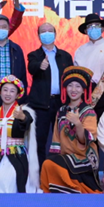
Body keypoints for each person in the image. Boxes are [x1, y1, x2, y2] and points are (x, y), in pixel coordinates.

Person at [40, 67, 101, 194]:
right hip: (65, 156)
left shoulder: (88, 111)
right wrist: (53, 156)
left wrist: (77, 123)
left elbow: (85, 141)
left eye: (78, 86)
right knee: (47, 164)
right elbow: (56, 138)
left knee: (56, 164)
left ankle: (74, 191)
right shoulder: (61, 111)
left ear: (83, 90)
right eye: (70, 85)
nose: (73, 90)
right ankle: (50, 196)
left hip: (85, 157)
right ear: (65, 88)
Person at [27, 22, 73, 168]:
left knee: (63, 139)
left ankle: (62, 171)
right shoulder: (34, 55)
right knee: (40, 141)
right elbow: (32, 67)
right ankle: (40, 172)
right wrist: (40, 66)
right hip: (41, 105)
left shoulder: (65, 56)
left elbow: (71, 78)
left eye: (50, 30)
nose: (47, 33)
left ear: (55, 34)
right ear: (38, 36)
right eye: (43, 31)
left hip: (61, 103)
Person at [0, 75, 39, 193]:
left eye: (12, 91)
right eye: (5, 90)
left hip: (16, 157)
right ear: (0, 92)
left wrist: (22, 118)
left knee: (6, 181)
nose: (8, 94)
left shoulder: (22, 111)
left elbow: (27, 122)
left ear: (18, 95)